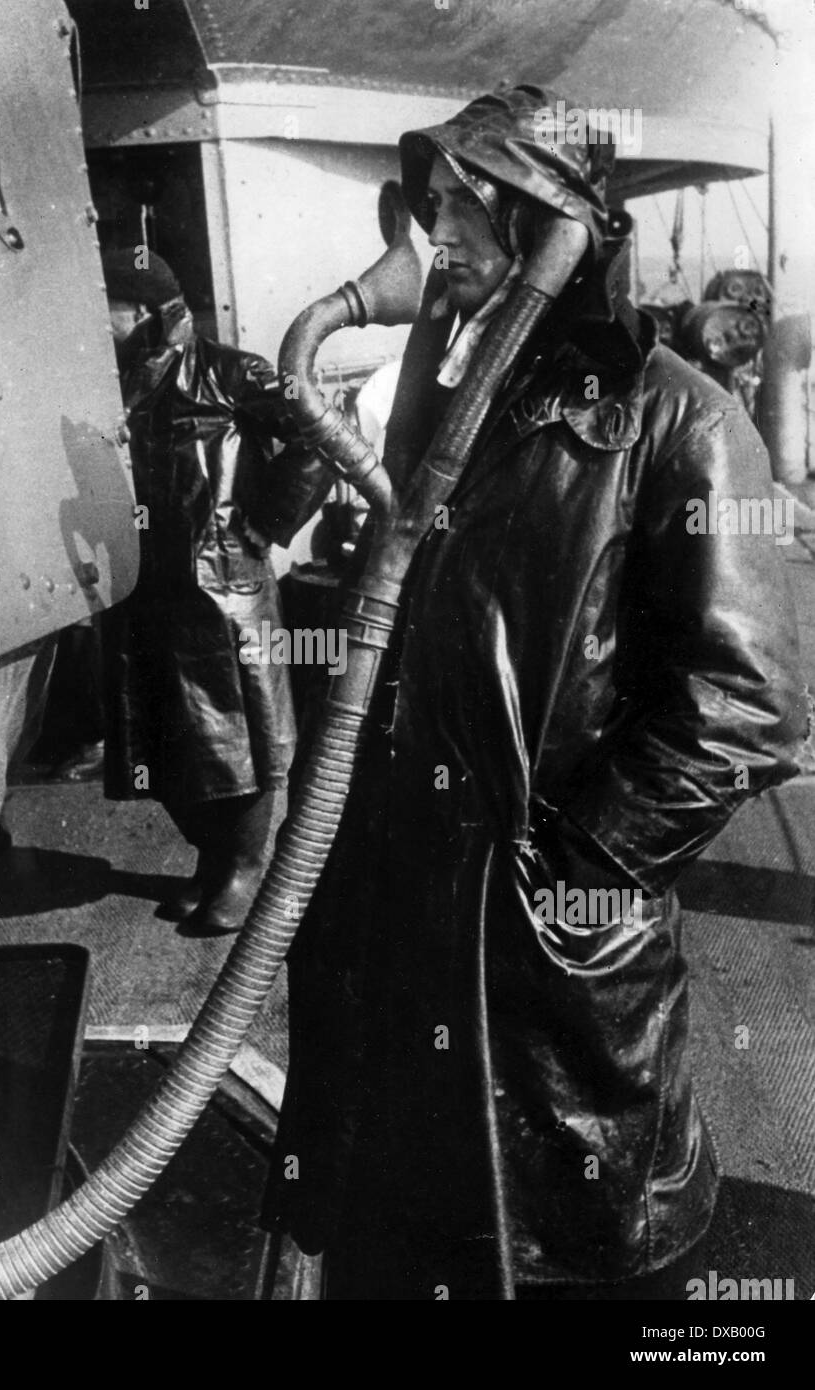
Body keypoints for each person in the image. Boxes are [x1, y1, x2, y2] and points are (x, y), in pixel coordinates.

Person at [263, 86, 809, 1299]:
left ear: (538, 218)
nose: (434, 237)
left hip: (539, 962)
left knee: (549, 1252)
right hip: (402, 919)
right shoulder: (444, 393)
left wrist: (572, 868)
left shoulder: (680, 419)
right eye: (432, 206)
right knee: (398, 1233)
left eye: (458, 208)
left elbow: (749, 698)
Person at [98, 248, 328, 934]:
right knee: (175, 738)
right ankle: (214, 859)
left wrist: (263, 526)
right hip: (154, 589)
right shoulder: (125, 380)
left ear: (145, 311)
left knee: (244, 738)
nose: (99, 321)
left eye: (108, 305)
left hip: (225, 590)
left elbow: (316, 442)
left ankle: (247, 869)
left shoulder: (235, 373)